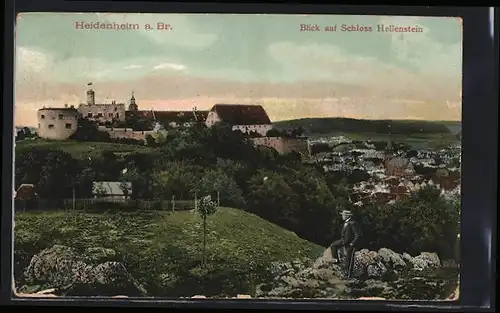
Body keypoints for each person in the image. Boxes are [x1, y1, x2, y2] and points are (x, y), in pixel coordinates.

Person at [330, 210, 362, 277]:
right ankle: (336, 260)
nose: (342, 216)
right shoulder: (346, 222)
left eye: (343, 215)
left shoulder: (352, 223)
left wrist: (353, 243)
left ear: (347, 216)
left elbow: (357, 234)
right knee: (333, 245)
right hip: (343, 240)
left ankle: (348, 274)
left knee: (349, 258)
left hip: (350, 243)